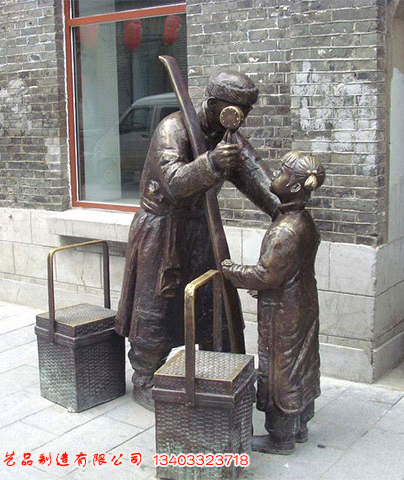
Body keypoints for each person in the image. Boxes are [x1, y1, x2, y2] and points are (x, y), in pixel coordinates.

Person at [115, 71, 281, 410]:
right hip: (162, 229)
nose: (241, 117)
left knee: (212, 300)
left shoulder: (228, 137)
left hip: (201, 229)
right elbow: (174, 182)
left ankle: (219, 370)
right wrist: (210, 162)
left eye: (246, 111)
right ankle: (145, 376)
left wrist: (287, 208)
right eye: (236, 109)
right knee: (156, 306)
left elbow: (257, 179)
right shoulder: (172, 129)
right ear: (216, 104)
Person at [222, 151, 326, 454]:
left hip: (284, 312)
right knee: (301, 362)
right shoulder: (301, 219)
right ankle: (299, 426)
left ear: (293, 187)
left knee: (281, 368)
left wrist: (230, 270)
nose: (275, 175)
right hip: (302, 301)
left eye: (281, 171)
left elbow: (265, 275)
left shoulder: (286, 230)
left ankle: (280, 437)